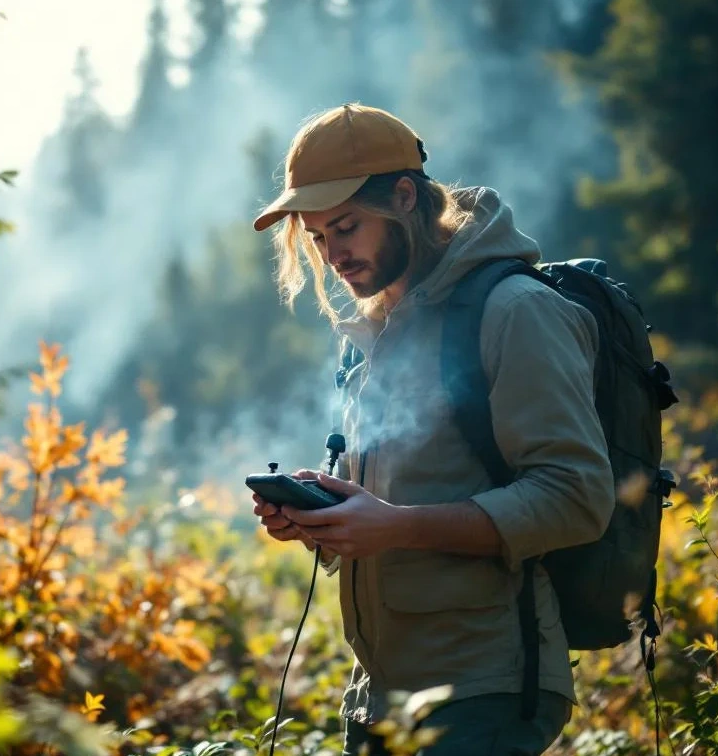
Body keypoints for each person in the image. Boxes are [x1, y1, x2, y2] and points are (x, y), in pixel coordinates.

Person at [248, 103, 616, 755]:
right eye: (319, 238)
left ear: (405, 197)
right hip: (379, 700)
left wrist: (396, 526)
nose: (334, 255)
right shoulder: (374, 332)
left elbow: (577, 496)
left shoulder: (517, 311)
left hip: (483, 693)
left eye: (347, 227)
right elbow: (389, 508)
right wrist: (320, 518)